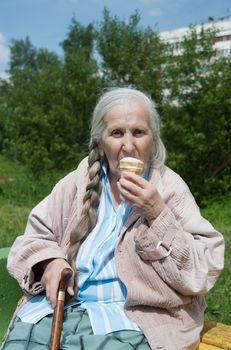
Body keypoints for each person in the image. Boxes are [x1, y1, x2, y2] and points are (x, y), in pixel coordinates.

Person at [2, 87, 224, 350]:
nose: (128, 146)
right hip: (58, 309)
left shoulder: (169, 188)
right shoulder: (77, 182)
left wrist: (156, 213)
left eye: (139, 132)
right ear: (100, 140)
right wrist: (50, 262)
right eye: (117, 133)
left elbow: (202, 273)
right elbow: (31, 239)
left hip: (132, 320)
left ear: (153, 140)